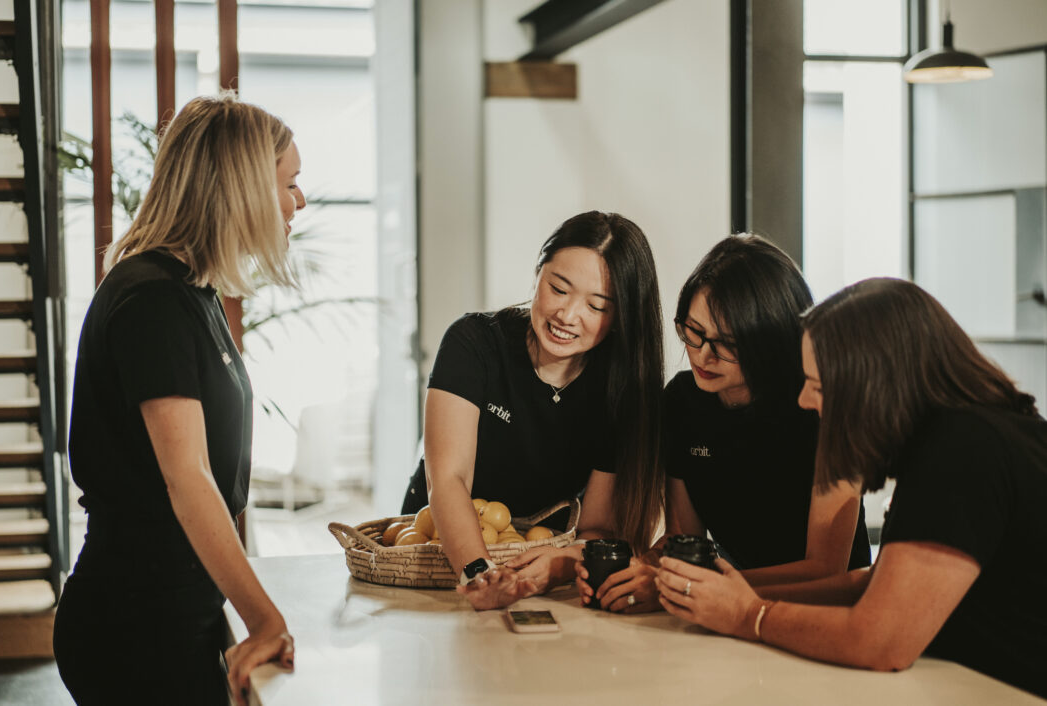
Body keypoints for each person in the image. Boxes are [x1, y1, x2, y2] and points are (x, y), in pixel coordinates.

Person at [656, 277, 1047, 699]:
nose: (805, 400)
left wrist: (750, 615)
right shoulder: (975, 433)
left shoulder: (962, 449)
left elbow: (881, 641)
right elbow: (878, 584)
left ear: (880, 386)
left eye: (820, 386)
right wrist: (725, 592)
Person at [54, 95, 305, 705]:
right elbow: (189, 479)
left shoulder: (190, 290)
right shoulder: (153, 301)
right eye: (290, 183)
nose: (299, 201)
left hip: (175, 610)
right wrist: (264, 619)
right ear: (242, 187)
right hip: (133, 624)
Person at [580, 234, 870, 613]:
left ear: (773, 341)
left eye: (727, 344)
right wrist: (638, 571)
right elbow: (684, 538)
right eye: (694, 331)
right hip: (738, 609)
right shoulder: (683, 402)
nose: (702, 355)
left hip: (833, 613)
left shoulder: (821, 405)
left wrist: (686, 585)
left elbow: (826, 570)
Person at [401, 211, 665, 610]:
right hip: (441, 549)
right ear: (539, 272)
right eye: (559, 289)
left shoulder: (619, 388)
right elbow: (449, 479)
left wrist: (557, 566)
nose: (567, 315)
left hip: (534, 564)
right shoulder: (473, 343)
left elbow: (596, 528)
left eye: (597, 306)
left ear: (621, 318)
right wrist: (479, 572)